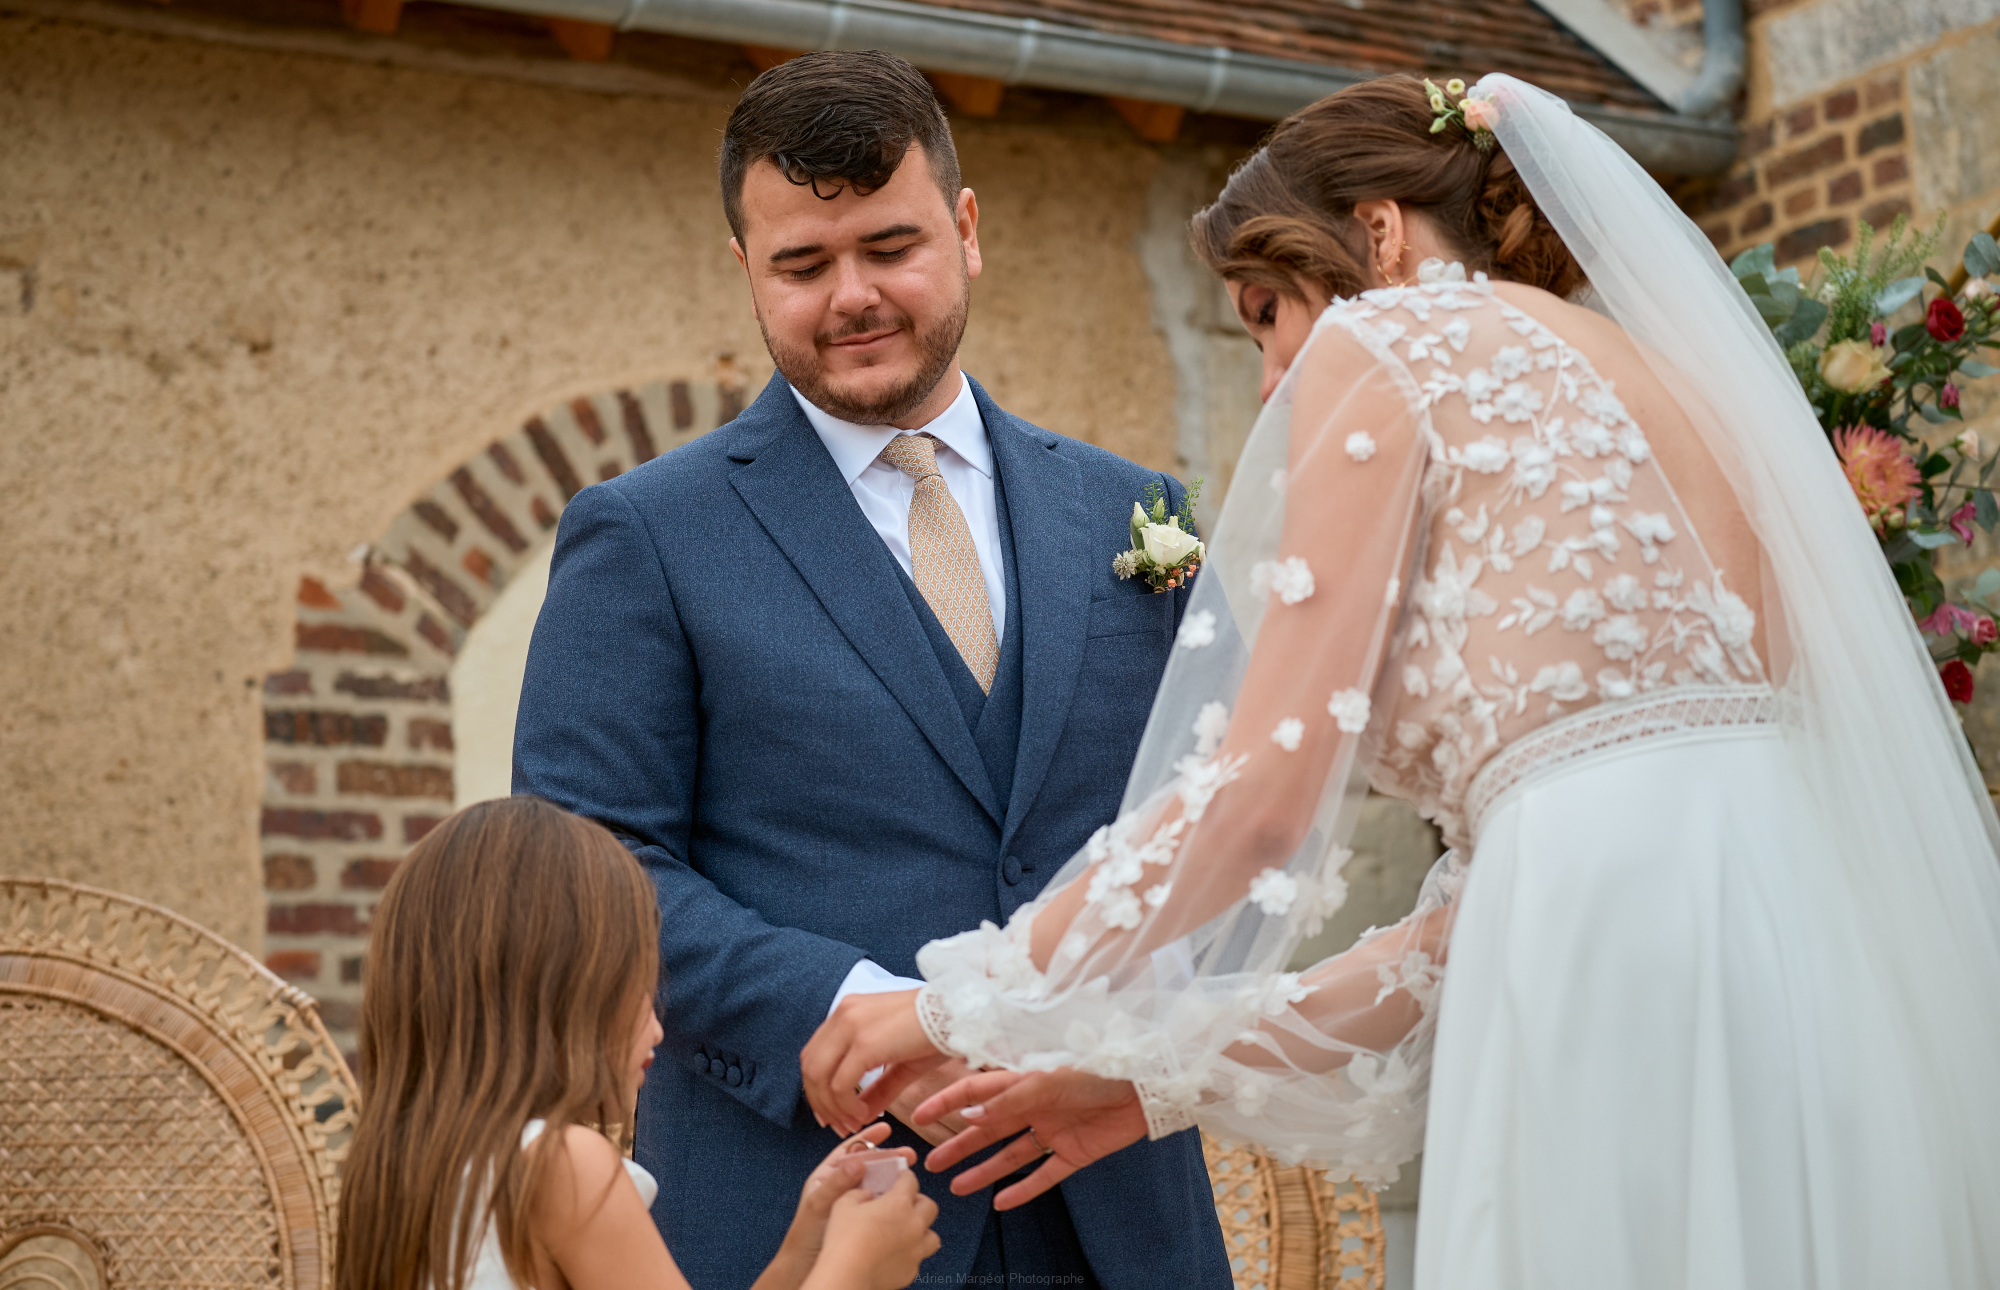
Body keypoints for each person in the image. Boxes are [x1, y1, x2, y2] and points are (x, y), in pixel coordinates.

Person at [801, 75, 2000, 1288]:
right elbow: (1458, 937)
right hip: (1826, 943)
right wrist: (1150, 1083)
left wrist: (955, 1002)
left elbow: (1258, 801)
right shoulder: (1686, 394)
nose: (1272, 376)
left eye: (1265, 313)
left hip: (1605, 962)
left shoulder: (1382, 339)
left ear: (1375, 231)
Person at [511, 50, 1231, 1289]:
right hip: (810, 1210)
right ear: (745, 269)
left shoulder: (1134, 510)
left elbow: (1215, 818)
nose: (851, 296)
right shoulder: (647, 535)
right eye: (801, 265)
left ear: (966, 229)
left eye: (890, 247)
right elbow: (584, 863)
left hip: (1118, 1218)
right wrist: (850, 1010)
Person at [335, 796, 940, 1290]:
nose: (657, 1025)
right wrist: (855, 1268)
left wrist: (800, 1253)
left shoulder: (398, 1166)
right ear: (562, 987)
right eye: (638, 979)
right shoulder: (563, 1166)